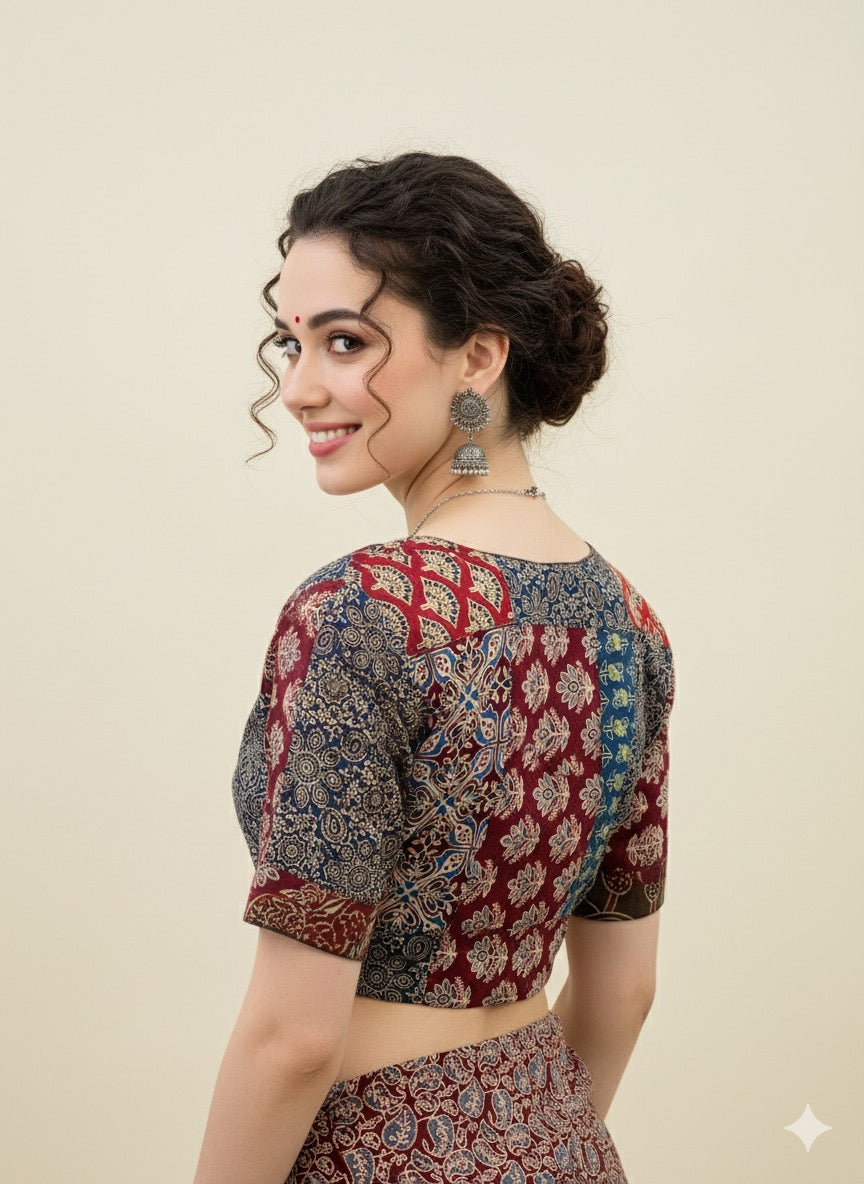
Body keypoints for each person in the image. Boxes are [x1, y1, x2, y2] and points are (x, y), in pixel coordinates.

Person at [193, 151, 676, 1184]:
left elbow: (294, 1039)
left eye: (347, 341)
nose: (298, 388)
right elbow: (622, 994)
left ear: (478, 357)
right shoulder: (630, 623)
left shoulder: (360, 613)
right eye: (291, 341)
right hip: (565, 1147)